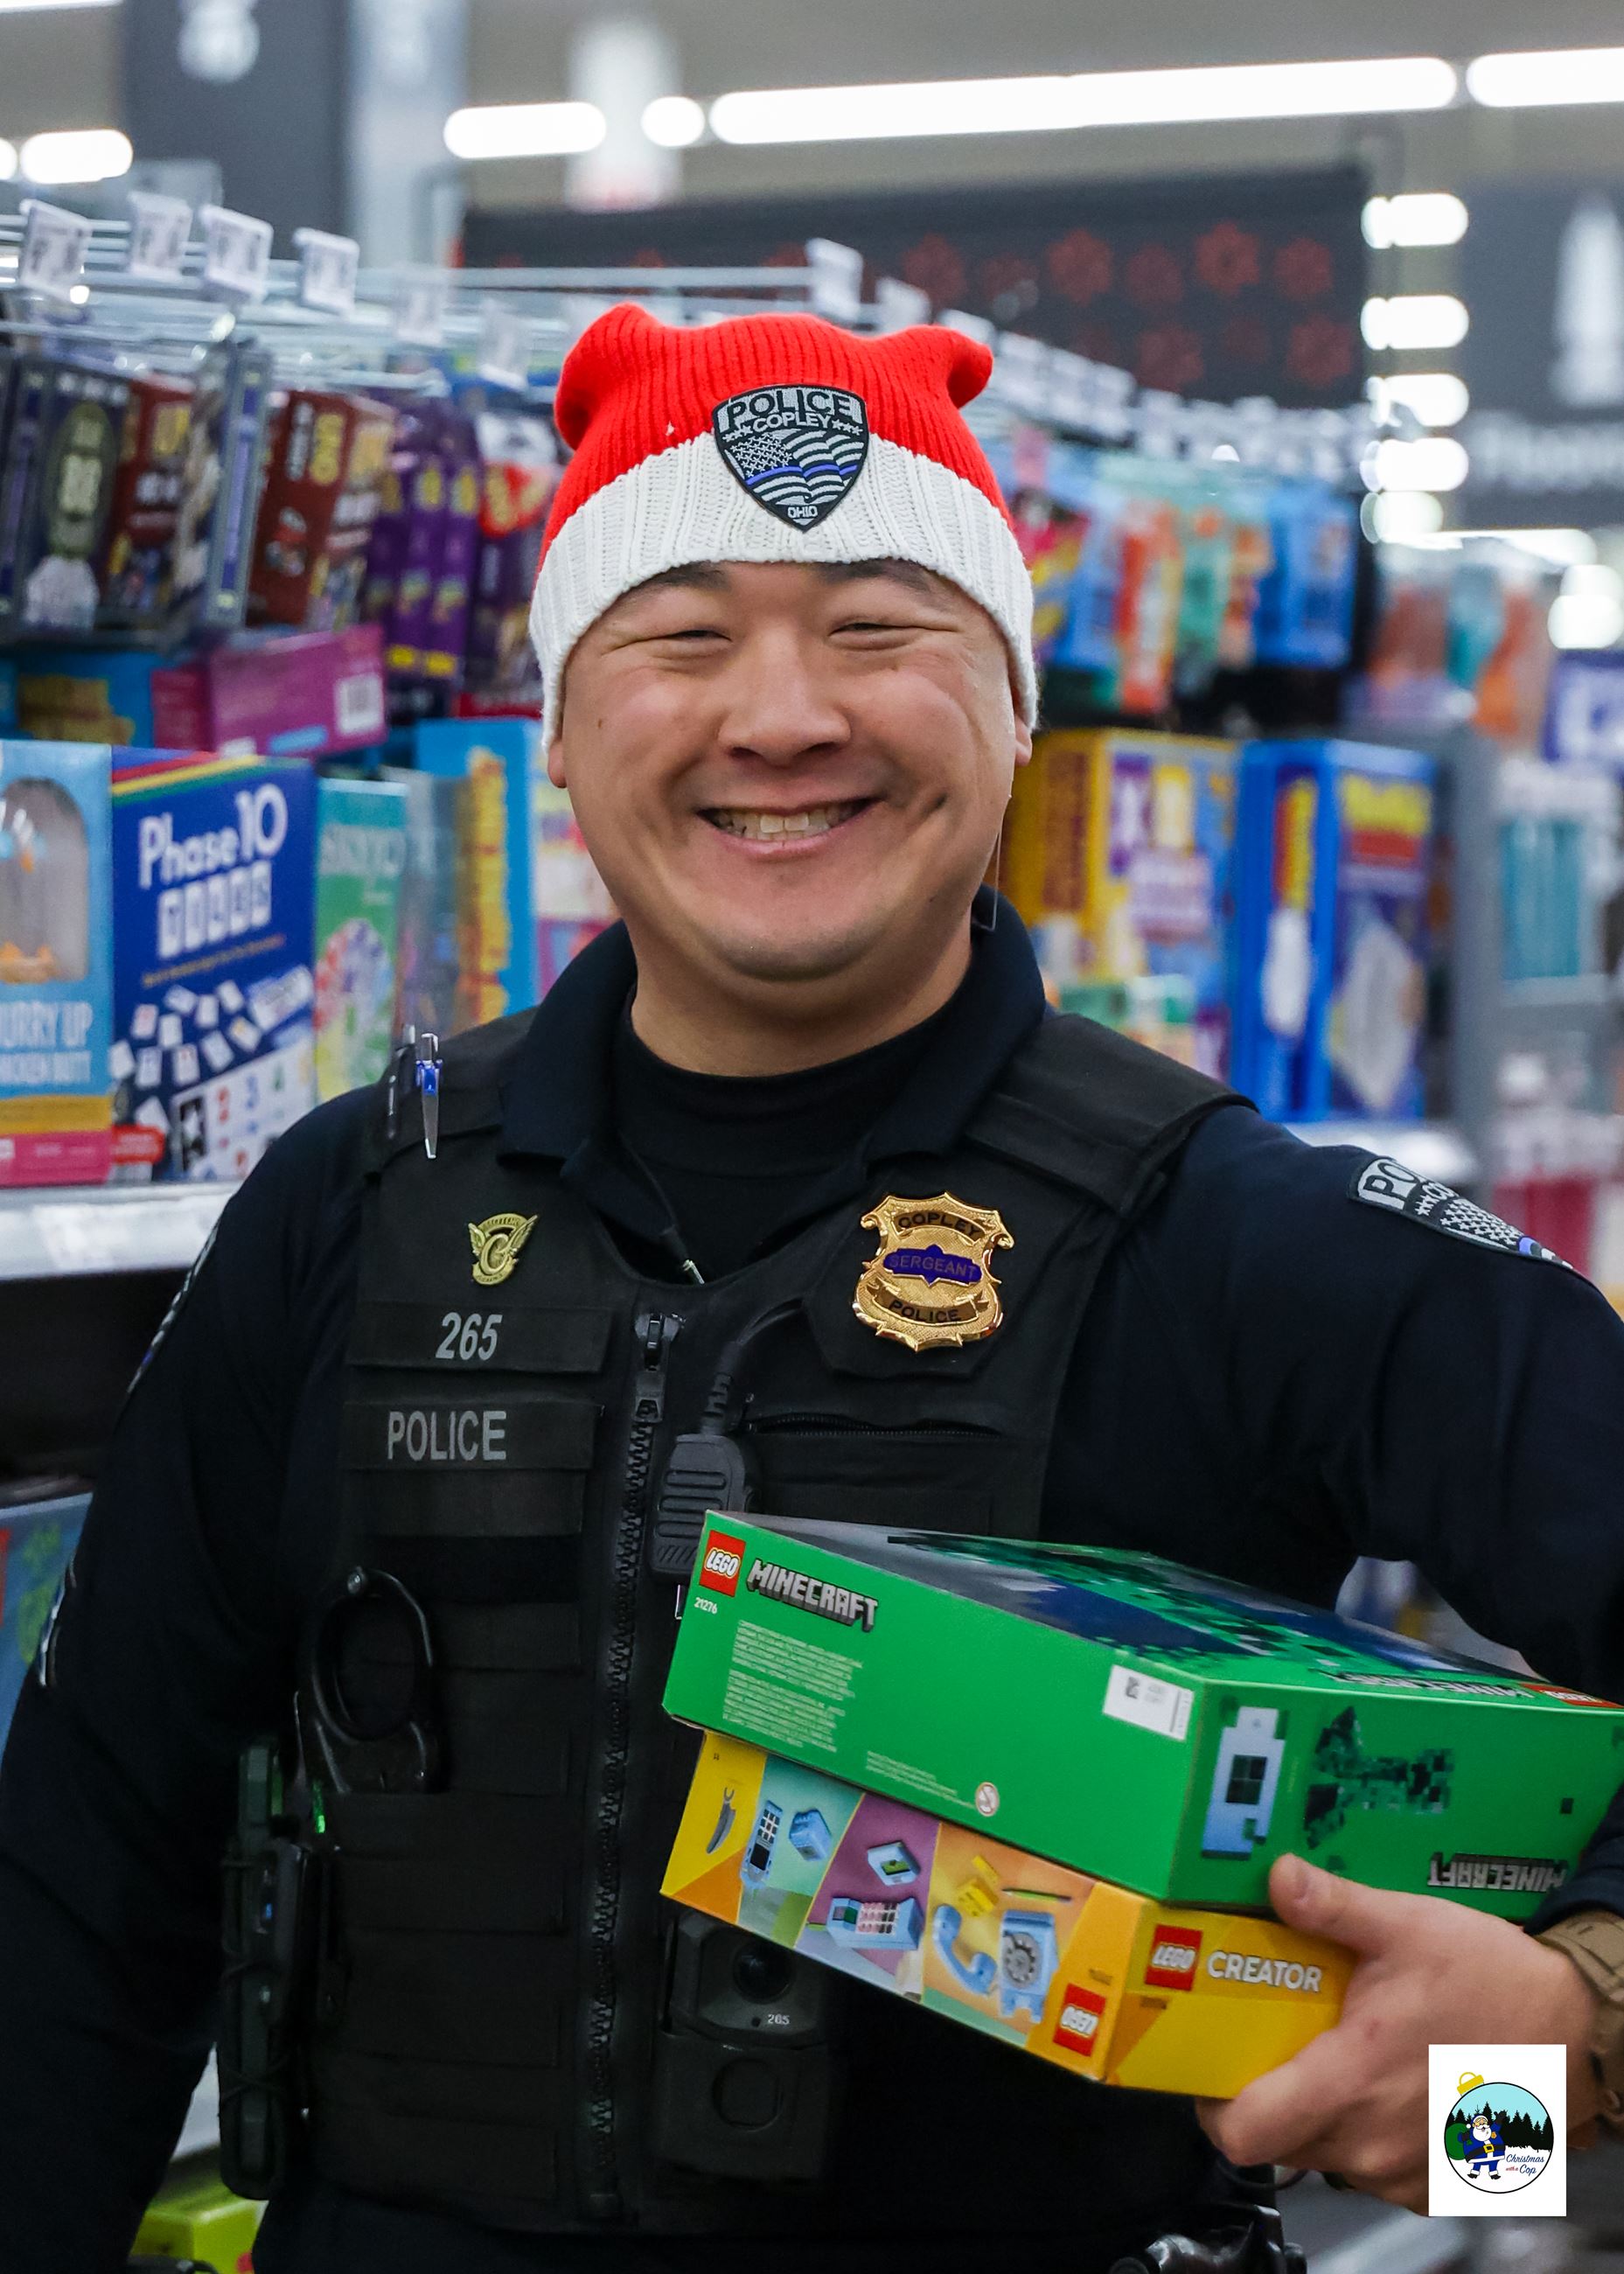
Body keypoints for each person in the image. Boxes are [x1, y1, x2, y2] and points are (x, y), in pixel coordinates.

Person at [2, 304, 1622, 2274]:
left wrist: (1548, 2060)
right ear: (558, 735)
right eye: (678, 637)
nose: (778, 715)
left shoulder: (1253, 1240)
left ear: (1016, 709)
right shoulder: (341, 1210)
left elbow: (1502, 2139)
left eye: (877, 626)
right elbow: (86, 1890)